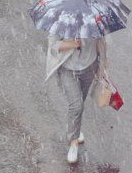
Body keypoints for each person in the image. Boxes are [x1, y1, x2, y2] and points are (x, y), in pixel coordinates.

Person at [45, 33, 107, 163]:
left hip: (90, 67)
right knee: (76, 106)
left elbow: (100, 40)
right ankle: (73, 143)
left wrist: (103, 60)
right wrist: (72, 44)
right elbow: (53, 46)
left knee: (80, 102)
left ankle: (75, 129)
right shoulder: (61, 20)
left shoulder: (93, 20)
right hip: (68, 70)